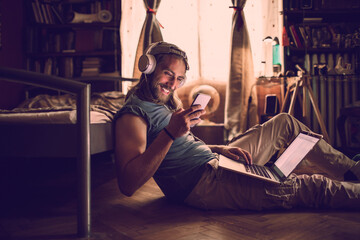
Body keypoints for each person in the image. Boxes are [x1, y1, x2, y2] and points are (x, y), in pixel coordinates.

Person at [114, 41, 360, 211]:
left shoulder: (163, 102)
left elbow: (177, 148)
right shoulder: (133, 115)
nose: (173, 84)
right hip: (204, 185)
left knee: (284, 122)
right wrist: (170, 132)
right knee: (310, 186)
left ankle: (353, 170)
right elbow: (128, 184)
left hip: (215, 162)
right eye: (168, 74)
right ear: (148, 67)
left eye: (179, 79)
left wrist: (218, 148)